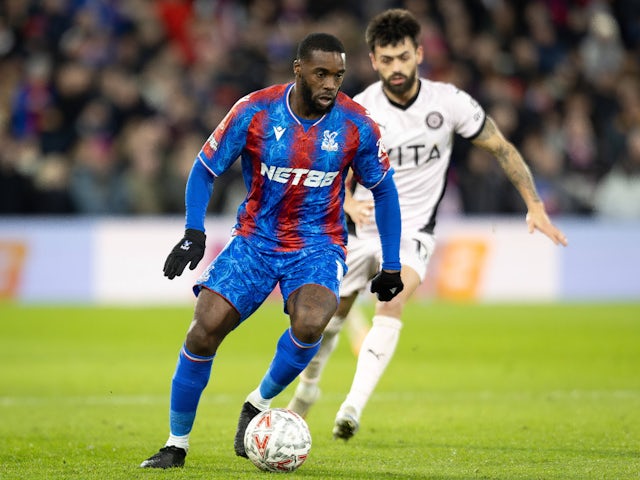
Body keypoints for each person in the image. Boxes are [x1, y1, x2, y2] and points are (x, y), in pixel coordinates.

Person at [287, 9, 569, 441]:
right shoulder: (360, 109)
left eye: (403, 57)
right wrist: (345, 200)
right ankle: (306, 394)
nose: (396, 68)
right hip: (359, 231)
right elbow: (331, 165)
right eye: (386, 60)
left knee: (391, 300)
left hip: (413, 231)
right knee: (327, 321)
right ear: (373, 60)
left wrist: (534, 204)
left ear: (419, 54)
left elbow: (500, 146)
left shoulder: (449, 103)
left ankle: (351, 408)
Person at [139, 32, 404, 469]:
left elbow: (385, 191)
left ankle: (257, 402)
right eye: (321, 73)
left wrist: (391, 264)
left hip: (318, 244)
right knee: (203, 330)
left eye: (338, 75)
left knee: (313, 321)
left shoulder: (356, 123)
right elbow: (205, 169)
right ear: (298, 69)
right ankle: (176, 444)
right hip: (255, 241)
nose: (330, 85)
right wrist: (193, 231)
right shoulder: (255, 111)